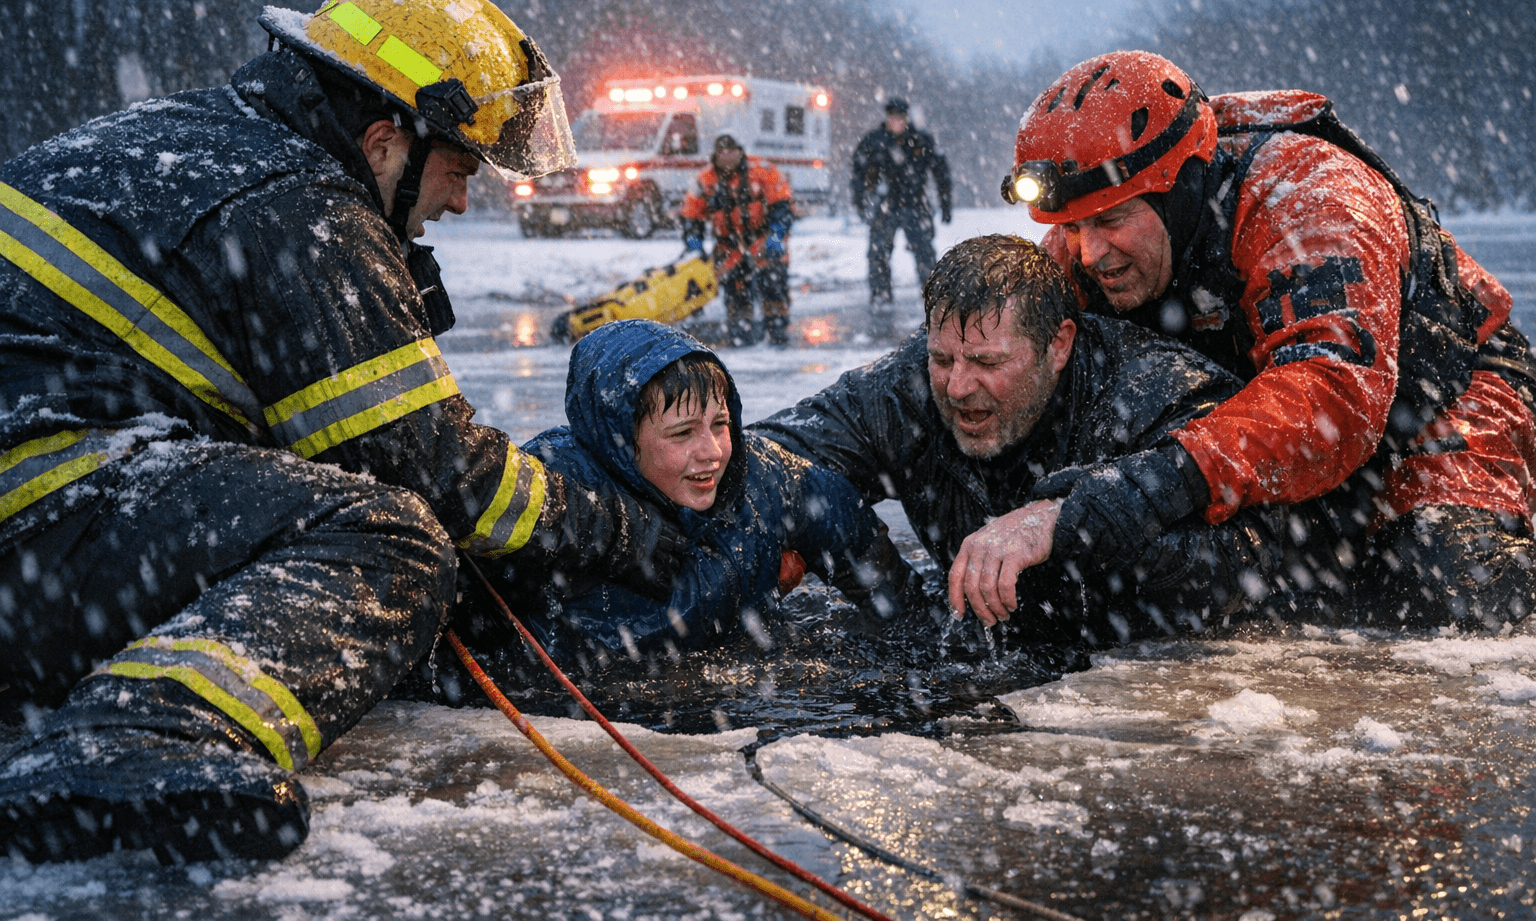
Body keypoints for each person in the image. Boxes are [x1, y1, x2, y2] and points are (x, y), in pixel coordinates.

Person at [0, 0, 687, 865]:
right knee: (391, 539)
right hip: (37, 513)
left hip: (43, 497)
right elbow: (441, 477)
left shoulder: (184, 139)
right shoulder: (303, 210)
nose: (461, 202)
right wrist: (635, 537)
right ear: (384, 141)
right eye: (458, 168)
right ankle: (138, 739)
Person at [1002, 50, 1536, 633]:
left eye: (1110, 222)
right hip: (1269, 403)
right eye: (1072, 228)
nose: (1090, 254)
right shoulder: (1086, 245)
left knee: (1449, 589)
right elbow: (992, 346)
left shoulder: (1309, 196)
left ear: (1178, 189)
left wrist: (1157, 482)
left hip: (1449, 389)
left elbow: (1334, 399)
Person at [753, 235, 1338, 644]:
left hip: (1161, 681)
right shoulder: (907, 386)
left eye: (986, 361)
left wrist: (1073, 528)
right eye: (942, 358)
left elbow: (1257, 551)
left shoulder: (1156, 388)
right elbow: (768, 453)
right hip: (980, 653)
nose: (957, 386)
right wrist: (872, 574)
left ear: (1058, 346)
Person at [453, 319, 909, 674]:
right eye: (682, 432)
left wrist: (910, 624)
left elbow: (851, 531)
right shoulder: (555, 491)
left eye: (720, 424)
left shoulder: (760, 476)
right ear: (621, 438)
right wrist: (752, 572)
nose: (711, 453)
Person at [850, 96, 953, 337]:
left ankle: (933, 295)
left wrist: (945, 202)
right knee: (878, 251)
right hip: (885, 203)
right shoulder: (874, 141)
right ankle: (880, 294)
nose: (896, 121)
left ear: (906, 118)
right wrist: (860, 200)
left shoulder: (920, 140)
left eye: (900, 117)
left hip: (915, 202)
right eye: (892, 117)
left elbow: (940, 171)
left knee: (924, 251)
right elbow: (858, 171)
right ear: (887, 118)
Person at [679, 134, 795, 347]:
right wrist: (694, 241)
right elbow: (691, 215)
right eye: (722, 152)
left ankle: (777, 332)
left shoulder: (763, 171)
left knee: (773, 286)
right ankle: (741, 334)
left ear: (740, 151)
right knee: (736, 291)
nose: (727, 156)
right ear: (715, 154)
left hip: (762, 241)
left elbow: (782, 205)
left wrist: (777, 234)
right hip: (729, 248)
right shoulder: (705, 180)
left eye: (731, 151)